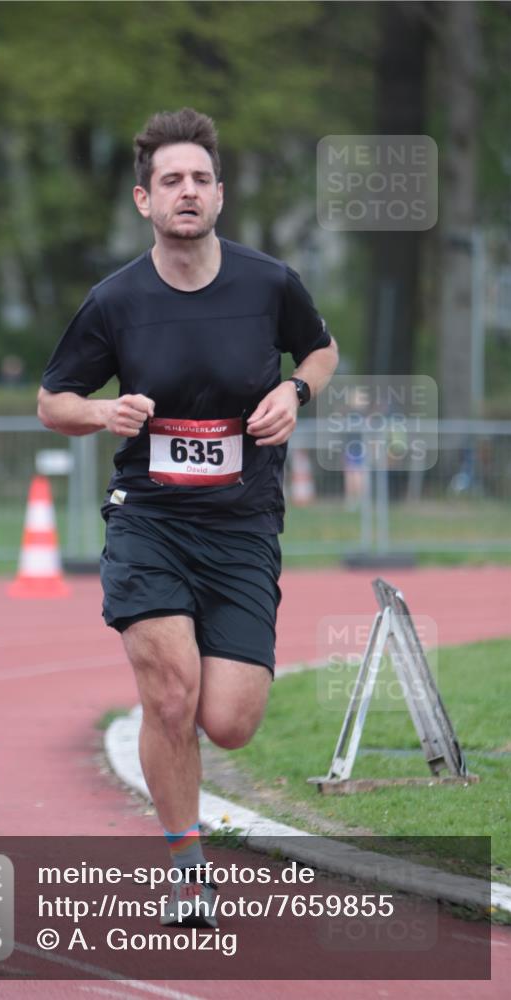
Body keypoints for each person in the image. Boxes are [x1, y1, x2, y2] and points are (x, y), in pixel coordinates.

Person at [38, 108, 339, 927]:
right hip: (151, 520)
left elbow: (320, 349)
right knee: (171, 701)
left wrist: (293, 391)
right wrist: (103, 417)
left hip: (242, 525)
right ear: (144, 199)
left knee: (230, 721)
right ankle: (187, 868)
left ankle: (176, 736)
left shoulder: (268, 282)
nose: (187, 192)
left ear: (219, 195)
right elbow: (52, 400)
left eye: (200, 179)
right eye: (171, 180)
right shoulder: (115, 300)